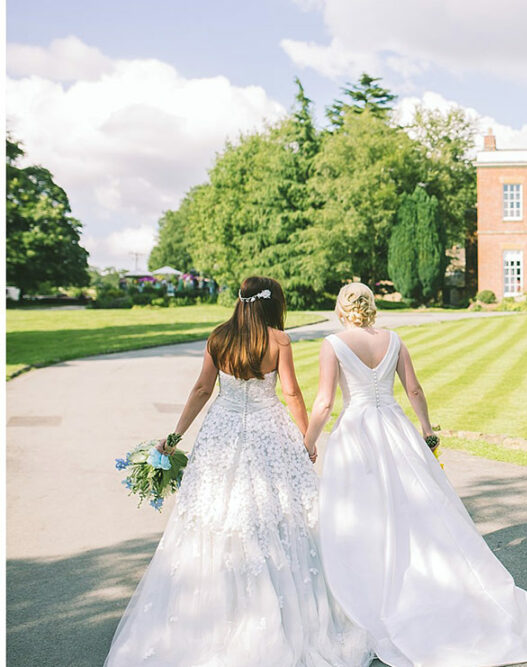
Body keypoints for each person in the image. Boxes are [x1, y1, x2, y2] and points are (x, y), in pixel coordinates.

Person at [303, 282, 527, 667]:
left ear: (340, 308)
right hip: (393, 427)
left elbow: (324, 402)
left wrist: (309, 441)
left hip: (356, 435)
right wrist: (427, 431)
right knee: (414, 509)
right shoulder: (394, 339)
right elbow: (414, 390)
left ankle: (368, 586)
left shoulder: (333, 345)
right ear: (370, 307)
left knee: (361, 513)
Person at [105, 276, 372, 666]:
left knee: (217, 515)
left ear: (241, 301)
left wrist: (174, 437)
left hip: (221, 433)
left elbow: (201, 390)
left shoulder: (219, 337)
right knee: (282, 516)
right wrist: (307, 440)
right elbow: (292, 393)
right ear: (271, 304)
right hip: (270, 432)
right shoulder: (279, 340)